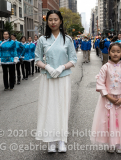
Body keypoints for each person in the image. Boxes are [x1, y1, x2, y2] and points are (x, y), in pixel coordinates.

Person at [34, 10, 77, 153]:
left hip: (63, 77)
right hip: (48, 78)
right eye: (50, 20)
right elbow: (37, 59)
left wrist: (61, 67)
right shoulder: (42, 39)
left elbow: (73, 59)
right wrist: (47, 67)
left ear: (61, 21)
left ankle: (61, 139)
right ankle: (50, 141)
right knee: (49, 107)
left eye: (55, 19)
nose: (53, 22)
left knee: (62, 107)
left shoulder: (68, 39)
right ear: (47, 22)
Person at [90, 43, 121, 154]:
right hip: (108, 99)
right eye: (113, 51)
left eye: (118, 51)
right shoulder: (105, 67)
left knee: (120, 121)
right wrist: (108, 96)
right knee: (108, 121)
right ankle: (110, 143)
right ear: (109, 52)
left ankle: (118, 143)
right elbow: (100, 83)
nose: (115, 54)